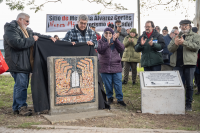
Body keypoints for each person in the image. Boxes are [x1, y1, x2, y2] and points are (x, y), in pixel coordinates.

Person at [3, 13, 56, 116]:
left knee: (21, 85)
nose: (28, 23)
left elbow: (37, 35)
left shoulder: (26, 31)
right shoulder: (11, 30)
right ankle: (21, 107)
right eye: (26, 21)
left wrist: (49, 37)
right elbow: (17, 43)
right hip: (17, 63)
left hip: (24, 63)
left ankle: (17, 107)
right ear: (20, 20)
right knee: (21, 86)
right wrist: (32, 39)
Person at [168, 20, 200, 111]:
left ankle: (188, 104)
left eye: (186, 25)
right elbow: (170, 48)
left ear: (190, 26)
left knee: (189, 85)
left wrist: (184, 43)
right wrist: (176, 44)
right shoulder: (176, 36)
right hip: (177, 64)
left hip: (189, 64)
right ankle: (178, 103)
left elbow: (196, 47)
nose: (184, 27)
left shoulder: (196, 36)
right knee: (177, 85)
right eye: (182, 25)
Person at [97, 27, 126, 106]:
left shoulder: (116, 41)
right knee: (107, 84)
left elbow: (121, 48)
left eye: (110, 33)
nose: (108, 34)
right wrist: (108, 43)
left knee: (118, 83)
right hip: (104, 67)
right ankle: (110, 98)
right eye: (106, 33)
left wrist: (115, 40)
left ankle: (120, 99)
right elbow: (100, 50)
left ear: (113, 34)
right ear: (104, 34)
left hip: (116, 66)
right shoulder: (100, 41)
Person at [192, 27, 200, 95]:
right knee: (197, 76)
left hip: (198, 61)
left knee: (198, 76)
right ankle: (198, 89)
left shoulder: (198, 38)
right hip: (195, 62)